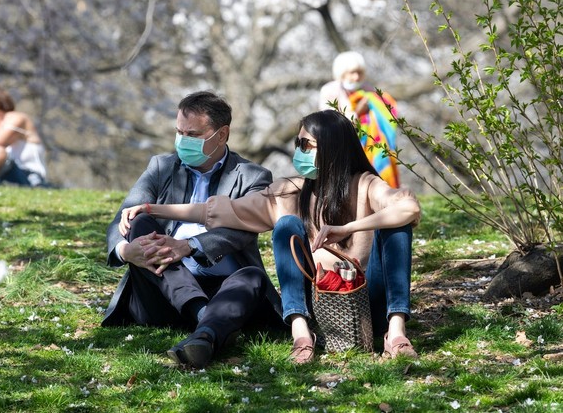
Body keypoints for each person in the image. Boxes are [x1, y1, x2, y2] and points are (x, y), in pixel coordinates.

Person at [119, 110, 421, 364]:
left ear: (332, 147)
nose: (298, 151)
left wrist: (347, 229)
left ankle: (395, 332)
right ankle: (301, 333)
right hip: (319, 302)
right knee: (286, 225)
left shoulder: (367, 185)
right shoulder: (289, 190)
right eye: (297, 143)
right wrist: (151, 208)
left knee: (397, 226)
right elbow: (220, 210)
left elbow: (408, 206)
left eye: (306, 144)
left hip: (367, 302)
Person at [102, 90, 284, 369]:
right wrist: (126, 251)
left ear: (221, 135)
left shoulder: (253, 176)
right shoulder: (160, 166)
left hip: (223, 289)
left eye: (193, 134)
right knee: (140, 221)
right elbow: (122, 219)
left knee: (252, 276)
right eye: (179, 132)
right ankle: (206, 319)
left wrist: (188, 246)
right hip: (162, 288)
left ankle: (204, 336)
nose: (182, 141)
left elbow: (241, 232)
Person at [319, 51, 401, 188]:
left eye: (359, 72)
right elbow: (329, 122)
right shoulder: (330, 90)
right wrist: (357, 112)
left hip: (371, 147)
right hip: (343, 148)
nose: (356, 77)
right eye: (352, 73)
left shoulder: (368, 89)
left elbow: (384, 111)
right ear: (342, 72)